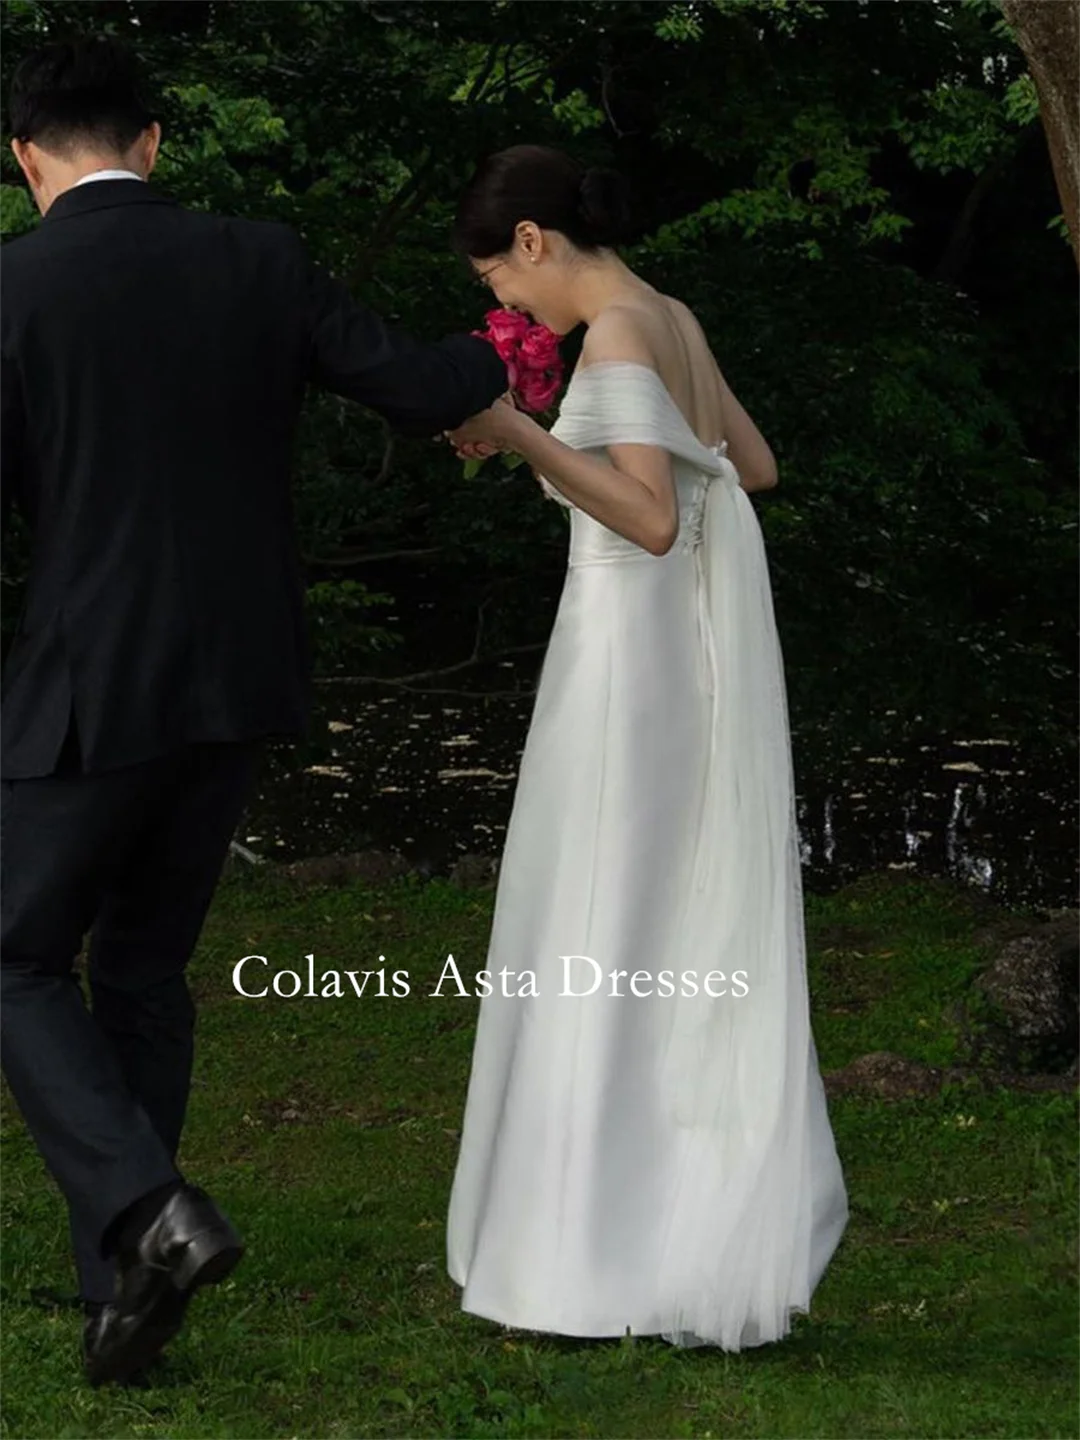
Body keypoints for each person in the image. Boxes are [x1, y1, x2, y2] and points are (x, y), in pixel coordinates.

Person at [0, 35, 508, 1386]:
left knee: (15, 959)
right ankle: (123, 1292)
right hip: (238, 678)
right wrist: (519, 334)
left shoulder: (12, 287)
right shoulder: (258, 259)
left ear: (24, 155)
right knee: (146, 969)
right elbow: (419, 385)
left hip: (84, 682)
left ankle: (147, 1213)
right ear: (156, 142)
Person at [443, 145, 849, 1349]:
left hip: (629, 656)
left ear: (531, 241)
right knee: (660, 912)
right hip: (692, 661)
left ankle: (591, 1245)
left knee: (604, 910)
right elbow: (752, 469)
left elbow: (653, 518)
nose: (506, 308)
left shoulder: (617, 336)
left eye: (499, 283)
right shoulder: (671, 314)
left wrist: (519, 434)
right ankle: (672, 1217)